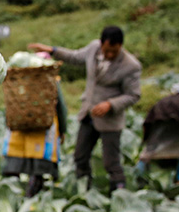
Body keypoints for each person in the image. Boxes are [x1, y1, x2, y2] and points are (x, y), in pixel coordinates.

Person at [29, 25, 141, 190]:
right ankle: (85, 188)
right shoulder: (93, 48)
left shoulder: (130, 65)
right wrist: (52, 50)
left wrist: (110, 104)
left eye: (114, 52)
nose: (110, 54)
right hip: (88, 113)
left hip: (110, 119)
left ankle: (119, 190)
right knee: (80, 156)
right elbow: (74, 57)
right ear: (102, 43)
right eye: (107, 50)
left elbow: (133, 95)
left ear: (120, 46)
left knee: (111, 161)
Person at [1, 56, 67, 197]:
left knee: (15, 165)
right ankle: (31, 195)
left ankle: (15, 196)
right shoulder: (50, 80)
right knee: (39, 168)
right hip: (43, 127)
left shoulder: (18, 80)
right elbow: (60, 106)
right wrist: (63, 129)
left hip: (18, 127)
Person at [135, 80, 179, 185]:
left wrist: (147, 134)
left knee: (150, 151)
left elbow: (150, 117)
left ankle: (137, 174)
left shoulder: (169, 99)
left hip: (158, 125)